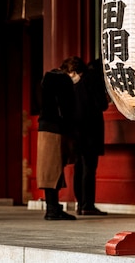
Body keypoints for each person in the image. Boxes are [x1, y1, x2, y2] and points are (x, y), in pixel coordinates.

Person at [36, 57, 80, 220]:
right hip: (57, 128)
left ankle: (52, 207)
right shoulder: (63, 82)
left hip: (44, 127)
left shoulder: (46, 81)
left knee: (48, 169)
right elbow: (68, 108)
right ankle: (52, 209)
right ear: (73, 72)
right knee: (53, 169)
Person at [71, 57, 109, 216]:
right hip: (91, 129)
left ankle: (80, 203)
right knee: (89, 168)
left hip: (77, 129)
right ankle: (88, 204)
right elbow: (102, 104)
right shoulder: (94, 80)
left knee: (79, 167)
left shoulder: (76, 83)